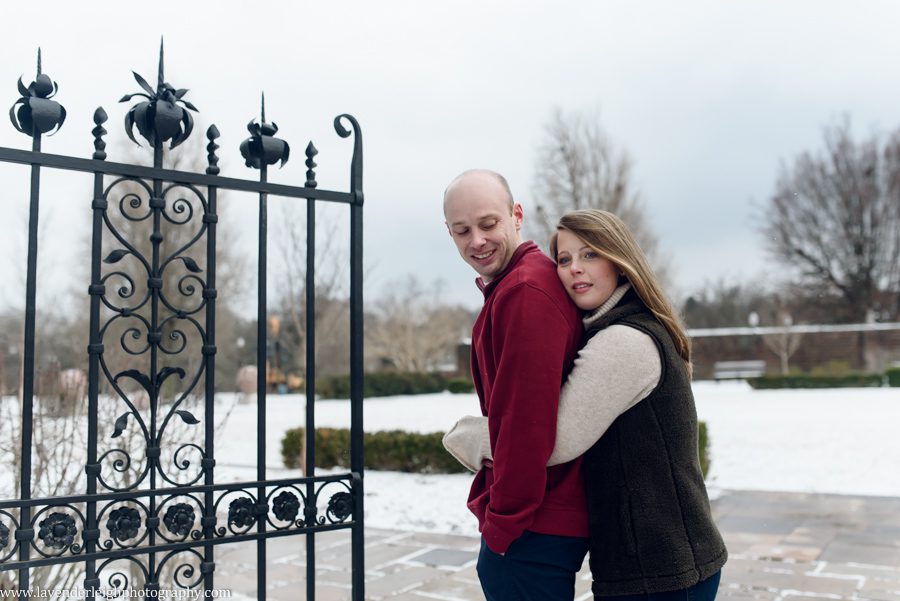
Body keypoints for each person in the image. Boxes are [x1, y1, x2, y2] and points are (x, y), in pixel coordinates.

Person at [444, 208, 727, 600]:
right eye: (564, 259)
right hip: (656, 564)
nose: (575, 268)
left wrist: (470, 436)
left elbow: (555, 439)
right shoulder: (619, 328)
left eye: (590, 254)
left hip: (663, 571)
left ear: (620, 261)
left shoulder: (623, 342)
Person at [442, 170, 590, 601]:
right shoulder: (516, 285)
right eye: (462, 230)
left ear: (516, 215)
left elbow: (526, 425)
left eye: (488, 224)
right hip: (538, 519)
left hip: (534, 523)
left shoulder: (526, 291)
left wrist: (502, 525)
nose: (477, 241)